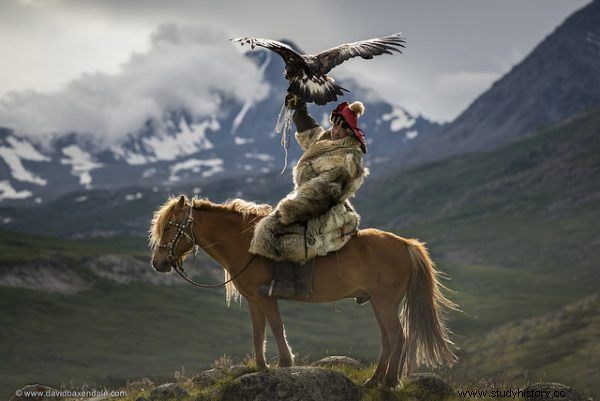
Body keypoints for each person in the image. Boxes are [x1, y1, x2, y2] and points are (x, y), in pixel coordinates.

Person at [249, 92, 369, 298]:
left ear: (351, 133)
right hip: (308, 199)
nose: (336, 130)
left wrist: (292, 209)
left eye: (343, 127)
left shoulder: (349, 156)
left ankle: (292, 285)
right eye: (336, 125)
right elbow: (310, 132)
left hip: (324, 206)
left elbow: (325, 191)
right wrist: (298, 109)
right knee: (278, 220)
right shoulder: (327, 141)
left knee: (282, 228)